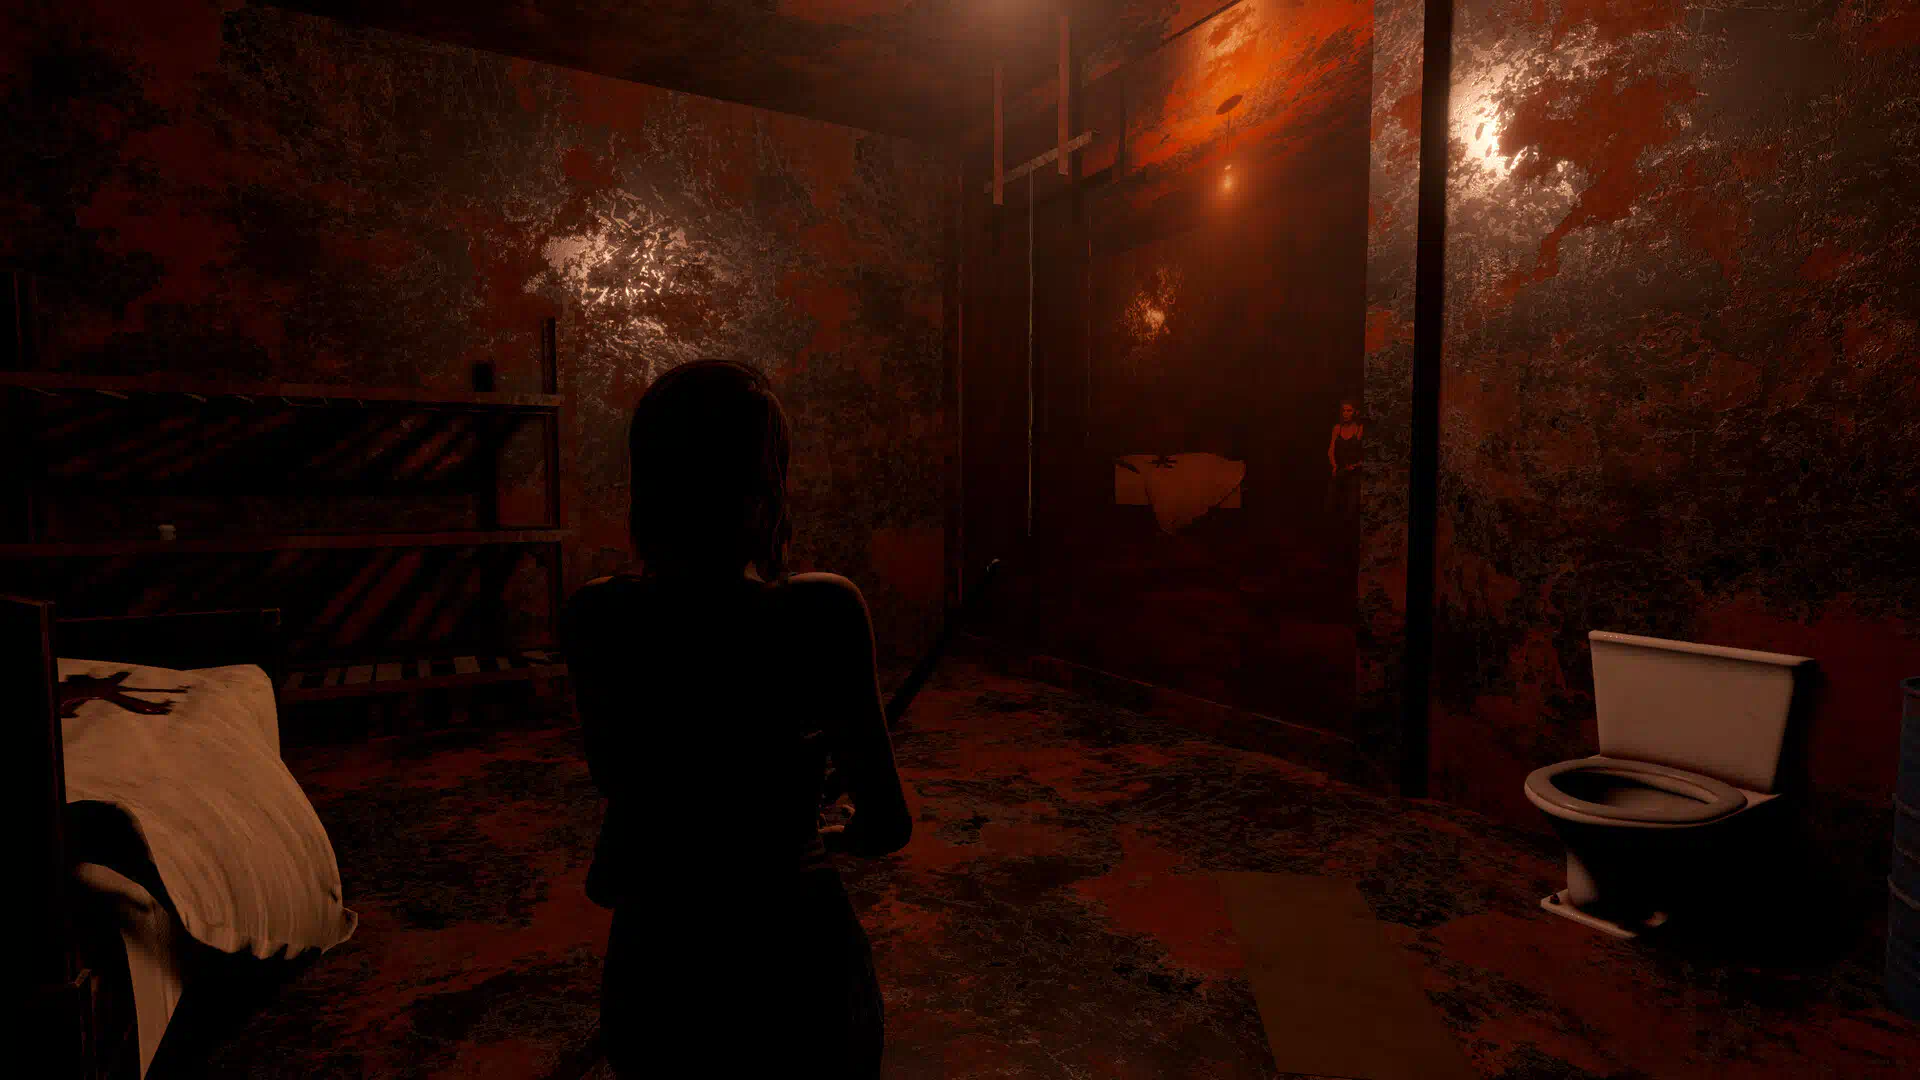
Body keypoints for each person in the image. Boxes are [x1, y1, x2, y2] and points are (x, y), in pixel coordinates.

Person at [561, 359, 913, 1079]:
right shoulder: (826, 610)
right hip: (799, 963)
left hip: (658, 959)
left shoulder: (597, 614)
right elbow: (887, 826)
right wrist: (821, 819)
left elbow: (624, 779)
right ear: (766, 483)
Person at [1324, 399, 1363, 524]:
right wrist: (1334, 465)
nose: (1346, 413)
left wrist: (1357, 465)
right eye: (1344, 410)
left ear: (1355, 412)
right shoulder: (1337, 428)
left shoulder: (1359, 429)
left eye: (1349, 410)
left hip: (1354, 471)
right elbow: (1331, 450)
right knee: (1330, 504)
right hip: (1339, 470)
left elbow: (1365, 453)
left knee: (1351, 508)